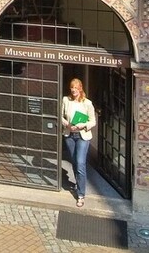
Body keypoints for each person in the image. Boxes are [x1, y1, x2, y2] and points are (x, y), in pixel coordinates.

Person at [62, 78, 97, 207]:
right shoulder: (66, 100)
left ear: (80, 88)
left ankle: (81, 194)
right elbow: (60, 116)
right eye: (72, 88)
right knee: (75, 162)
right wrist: (67, 124)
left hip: (83, 136)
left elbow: (93, 121)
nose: (74, 90)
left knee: (81, 163)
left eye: (76, 88)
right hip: (70, 135)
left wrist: (83, 125)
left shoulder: (87, 103)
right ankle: (78, 183)